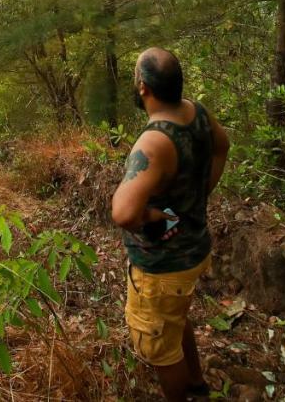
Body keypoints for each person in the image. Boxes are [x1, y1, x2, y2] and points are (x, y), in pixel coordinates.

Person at [111, 47, 229, 401]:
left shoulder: (153, 143)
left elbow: (123, 213)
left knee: (160, 349)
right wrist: (199, 194)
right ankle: (196, 384)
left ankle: (183, 391)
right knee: (174, 321)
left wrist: (153, 217)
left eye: (135, 78)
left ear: (144, 88)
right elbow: (222, 147)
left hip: (163, 267)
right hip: (194, 248)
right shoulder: (197, 112)